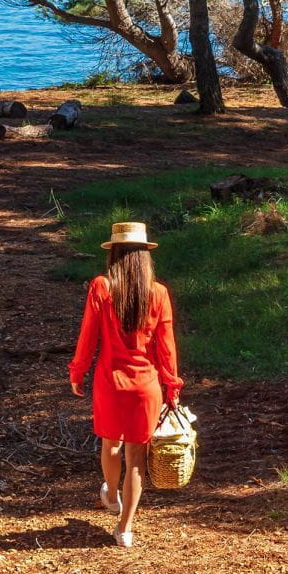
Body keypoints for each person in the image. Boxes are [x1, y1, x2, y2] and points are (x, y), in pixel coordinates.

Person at [67, 220, 182, 548]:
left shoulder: (102, 287)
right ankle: (125, 528)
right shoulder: (158, 293)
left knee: (110, 444)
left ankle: (111, 492)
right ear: (145, 256)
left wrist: (78, 371)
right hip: (146, 387)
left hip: (109, 382)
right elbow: (167, 348)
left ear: (114, 254)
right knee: (136, 459)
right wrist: (172, 386)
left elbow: (88, 337)